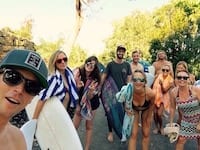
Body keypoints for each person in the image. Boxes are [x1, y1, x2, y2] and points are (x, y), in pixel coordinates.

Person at [0, 49, 48, 150]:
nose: (20, 90)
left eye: (32, 87)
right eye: (12, 77)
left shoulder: (18, 140)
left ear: (32, 99)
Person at [33, 50, 79, 119]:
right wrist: (34, 121)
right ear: (54, 63)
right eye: (59, 61)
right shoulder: (53, 79)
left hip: (67, 113)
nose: (63, 62)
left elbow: (71, 92)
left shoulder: (68, 73)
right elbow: (42, 99)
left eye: (65, 59)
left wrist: (77, 86)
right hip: (55, 116)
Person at [99, 45, 132, 142]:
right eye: (119, 51)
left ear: (124, 53)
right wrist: (100, 88)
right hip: (112, 93)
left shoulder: (126, 65)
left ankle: (123, 130)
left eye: (122, 52)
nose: (120, 53)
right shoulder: (110, 64)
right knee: (110, 112)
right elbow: (104, 76)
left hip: (123, 93)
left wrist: (128, 90)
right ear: (116, 52)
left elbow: (129, 78)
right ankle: (110, 132)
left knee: (124, 112)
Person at [73, 56, 101, 150]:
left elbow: (89, 97)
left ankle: (87, 148)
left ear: (95, 68)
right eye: (88, 62)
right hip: (80, 101)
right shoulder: (78, 73)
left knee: (88, 126)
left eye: (93, 64)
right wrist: (78, 87)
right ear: (85, 63)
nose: (89, 65)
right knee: (73, 127)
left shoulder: (96, 79)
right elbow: (73, 91)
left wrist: (90, 91)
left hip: (92, 104)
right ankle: (69, 145)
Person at [169, 70, 200, 150]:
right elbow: (172, 107)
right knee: (181, 140)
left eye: (184, 78)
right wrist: (171, 122)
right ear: (176, 79)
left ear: (188, 79)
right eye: (179, 77)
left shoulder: (195, 90)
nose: (182, 79)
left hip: (198, 118)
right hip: (186, 120)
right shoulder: (174, 92)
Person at [128, 70, 155, 150]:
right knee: (133, 134)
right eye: (135, 80)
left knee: (146, 133)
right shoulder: (128, 91)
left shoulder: (150, 93)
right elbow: (123, 101)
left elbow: (152, 105)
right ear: (132, 81)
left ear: (145, 82)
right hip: (134, 109)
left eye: (141, 80)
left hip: (146, 109)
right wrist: (127, 109)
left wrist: (149, 116)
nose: (138, 82)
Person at [152, 64, 174, 134]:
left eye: (167, 70)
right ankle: (156, 127)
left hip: (163, 99)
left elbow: (164, 91)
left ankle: (161, 127)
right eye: (163, 70)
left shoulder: (171, 80)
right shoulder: (158, 76)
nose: (165, 71)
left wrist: (161, 84)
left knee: (159, 114)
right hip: (155, 97)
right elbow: (152, 85)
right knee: (155, 114)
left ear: (169, 71)